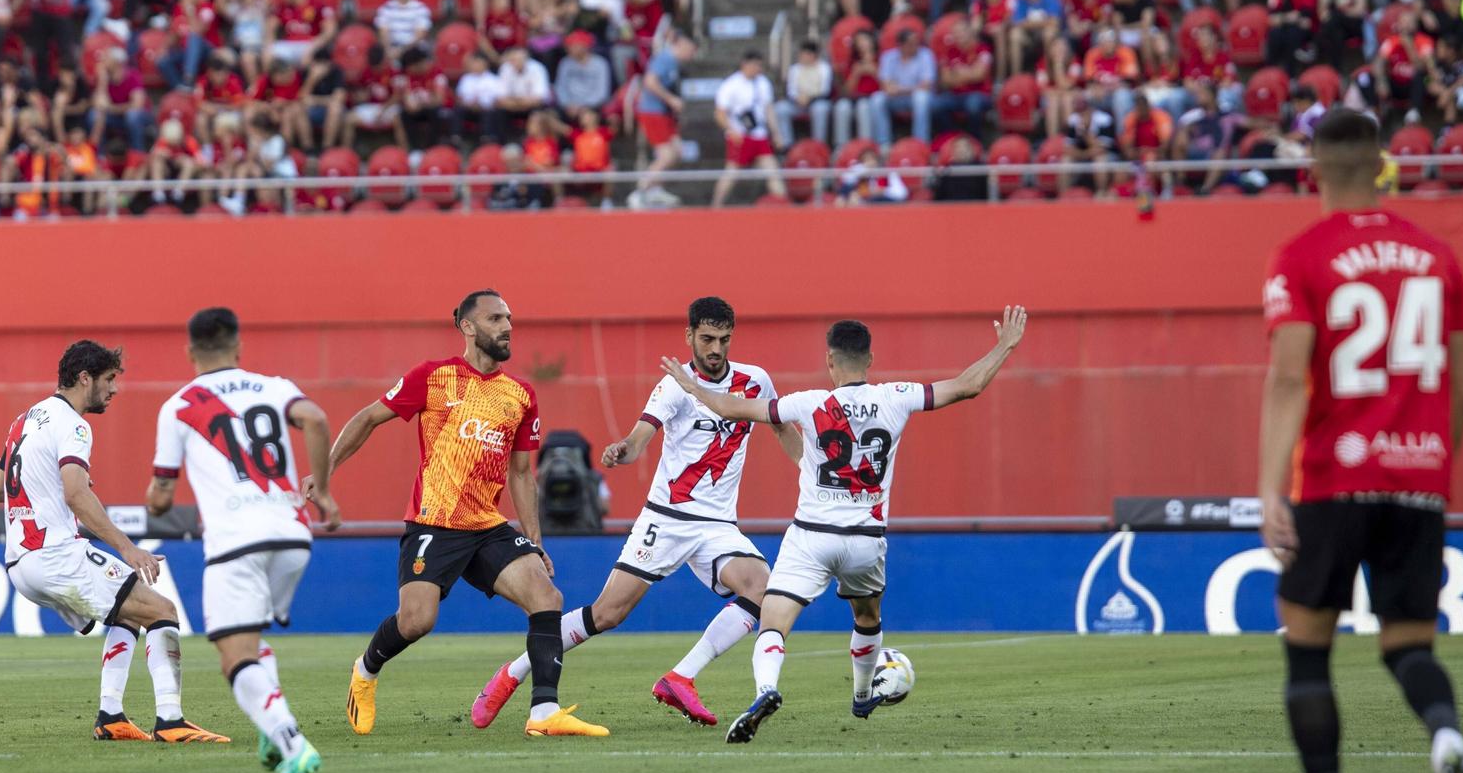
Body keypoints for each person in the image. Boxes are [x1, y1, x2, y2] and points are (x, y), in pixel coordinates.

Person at [1257, 107, 1463, 773]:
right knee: (1408, 646)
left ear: (1314, 168)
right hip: (1418, 479)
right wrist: (1432, 461)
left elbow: (1290, 376)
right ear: (1385, 163)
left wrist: (1270, 488)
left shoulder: (1301, 256)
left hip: (1334, 478)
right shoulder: (1437, 257)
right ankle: (1448, 735)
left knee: (1307, 651)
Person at [658, 310, 1026, 742]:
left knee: (774, 621)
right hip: (866, 540)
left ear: (830, 360)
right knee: (867, 617)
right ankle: (862, 694)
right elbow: (968, 386)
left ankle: (767, 690)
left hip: (811, 534)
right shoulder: (898, 396)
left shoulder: (807, 403)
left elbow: (729, 405)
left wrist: (691, 385)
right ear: (869, 359)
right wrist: (1005, 346)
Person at [475, 298, 803, 730]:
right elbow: (638, 438)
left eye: (723, 340)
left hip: (718, 525)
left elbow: (780, 427)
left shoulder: (755, 381)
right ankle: (511, 673)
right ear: (689, 337)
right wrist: (621, 451)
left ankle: (680, 677)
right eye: (706, 339)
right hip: (666, 519)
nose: (715, 349)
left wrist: (814, 473)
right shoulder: (674, 387)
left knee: (765, 591)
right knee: (607, 614)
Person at [328, 290, 608, 739]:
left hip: (487, 526)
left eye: (510, 318)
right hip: (433, 523)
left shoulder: (519, 395)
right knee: (417, 621)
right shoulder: (433, 377)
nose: (507, 326)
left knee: (547, 598)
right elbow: (366, 419)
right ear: (468, 326)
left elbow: (521, 474)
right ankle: (364, 670)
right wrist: (324, 472)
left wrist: (536, 542)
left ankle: (543, 713)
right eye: (496, 318)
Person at [142, 307, 337, 773]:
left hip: (236, 542)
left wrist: (157, 495)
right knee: (251, 639)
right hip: (293, 537)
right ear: (239, 346)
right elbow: (314, 418)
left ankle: (293, 744)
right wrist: (325, 492)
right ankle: (272, 733)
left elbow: (161, 500)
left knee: (234, 657)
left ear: (189, 351)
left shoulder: (180, 405)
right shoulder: (274, 385)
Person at [0, 341, 207, 743]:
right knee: (162, 609)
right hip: (55, 553)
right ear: (84, 378)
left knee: (126, 615)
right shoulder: (74, 424)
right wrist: (128, 547)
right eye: (109, 379)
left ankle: (111, 716)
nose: (114, 389)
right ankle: (172, 721)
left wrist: (48, 483)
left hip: (20, 563)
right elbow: (76, 494)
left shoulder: (23, 420)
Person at [711, 50, 784, 207]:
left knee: (772, 171)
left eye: (760, 65)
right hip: (740, 135)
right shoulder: (731, 85)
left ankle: (783, 206)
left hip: (760, 135)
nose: (758, 69)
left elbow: (768, 109)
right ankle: (716, 206)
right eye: (756, 65)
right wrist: (731, 130)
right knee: (732, 173)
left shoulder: (763, 83)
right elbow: (720, 113)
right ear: (745, 64)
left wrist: (776, 133)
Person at [630, 31, 691, 209]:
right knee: (667, 154)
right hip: (652, 112)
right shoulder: (665, 59)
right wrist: (670, 99)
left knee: (678, 150)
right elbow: (650, 82)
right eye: (690, 49)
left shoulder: (674, 63)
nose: (691, 54)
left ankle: (656, 190)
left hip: (664, 114)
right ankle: (641, 191)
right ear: (679, 45)